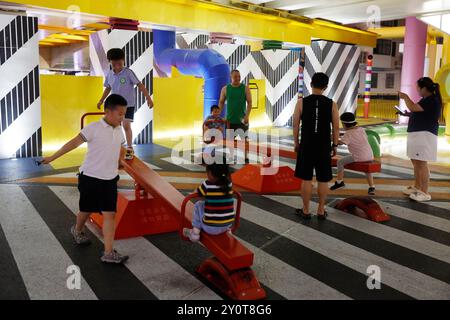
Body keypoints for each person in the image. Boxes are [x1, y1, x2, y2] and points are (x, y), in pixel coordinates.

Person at [42, 94, 129, 264]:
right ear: (108, 111)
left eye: (124, 114)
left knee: (110, 214)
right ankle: (77, 229)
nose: (122, 117)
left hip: (110, 179)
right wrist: (52, 158)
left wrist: (119, 161)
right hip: (90, 177)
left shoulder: (119, 130)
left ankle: (108, 252)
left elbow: (121, 146)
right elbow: (73, 143)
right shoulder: (93, 128)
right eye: (120, 113)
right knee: (86, 210)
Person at [293, 72, 340, 220]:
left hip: (306, 144)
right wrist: (335, 144)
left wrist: (296, 142)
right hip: (323, 146)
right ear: (325, 87)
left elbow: (295, 124)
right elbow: (336, 127)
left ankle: (306, 210)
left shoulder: (301, 102)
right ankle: (321, 209)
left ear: (311, 84)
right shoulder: (331, 103)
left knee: (306, 179)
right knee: (323, 179)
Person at [97, 48, 153, 160]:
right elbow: (108, 88)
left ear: (123, 61)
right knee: (115, 127)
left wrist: (148, 98)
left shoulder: (128, 72)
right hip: (115, 106)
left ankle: (130, 147)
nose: (117, 66)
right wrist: (101, 100)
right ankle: (116, 147)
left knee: (126, 125)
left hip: (128, 105)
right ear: (110, 62)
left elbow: (140, 85)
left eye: (119, 64)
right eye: (114, 64)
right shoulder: (110, 74)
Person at [398, 77, 442, 202]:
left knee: (421, 163)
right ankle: (417, 187)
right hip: (418, 133)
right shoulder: (426, 99)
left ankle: (425, 192)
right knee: (416, 161)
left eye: (418, 87)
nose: (417, 90)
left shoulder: (431, 100)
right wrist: (406, 114)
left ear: (424, 88)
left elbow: (413, 107)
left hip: (424, 134)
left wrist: (405, 97)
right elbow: (417, 111)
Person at [183, 163, 235, 242]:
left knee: (199, 204)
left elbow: (196, 194)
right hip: (226, 225)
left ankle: (195, 233)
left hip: (210, 228)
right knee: (225, 204)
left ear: (210, 173)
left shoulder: (207, 184)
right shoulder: (229, 183)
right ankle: (228, 231)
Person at [330, 112, 375, 195]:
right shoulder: (361, 129)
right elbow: (353, 135)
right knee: (367, 170)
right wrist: (341, 134)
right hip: (370, 155)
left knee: (340, 162)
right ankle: (372, 187)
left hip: (359, 157)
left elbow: (340, 142)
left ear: (344, 124)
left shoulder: (348, 134)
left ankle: (339, 182)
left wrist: (333, 137)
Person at [219, 69, 252, 163]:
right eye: (235, 77)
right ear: (231, 77)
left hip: (242, 120)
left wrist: (247, 116)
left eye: (239, 76)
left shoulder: (245, 88)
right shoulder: (225, 89)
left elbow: (250, 103)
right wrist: (218, 115)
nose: (238, 78)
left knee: (244, 139)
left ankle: (246, 157)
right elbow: (221, 102)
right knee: (230, 140)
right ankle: (231, 156)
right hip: (230, 120)